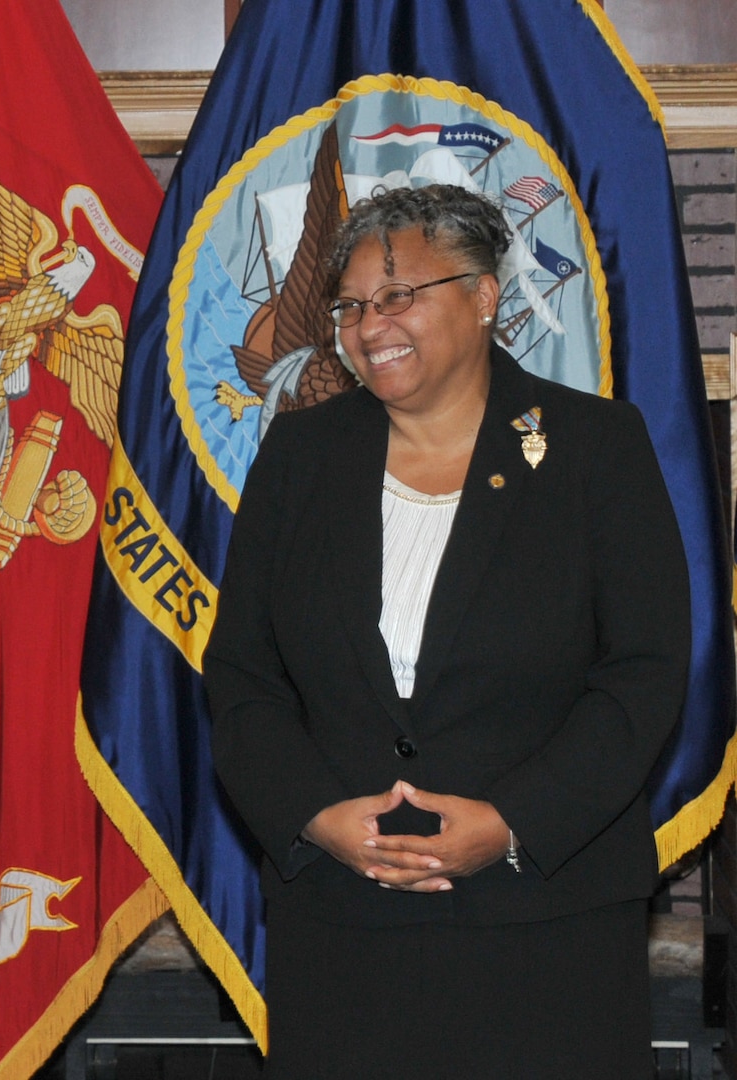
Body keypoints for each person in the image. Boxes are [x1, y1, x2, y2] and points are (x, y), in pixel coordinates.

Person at [202, 183, 690, 1079]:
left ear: (486, 295)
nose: (367, 324)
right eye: (349, 306)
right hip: (346, 930)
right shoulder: (299, 455)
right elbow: (242, 678)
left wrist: (510, 823)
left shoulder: (594, 446)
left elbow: (644, 674)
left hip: (547, 925)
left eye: (399, 296)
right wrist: (316, 816)